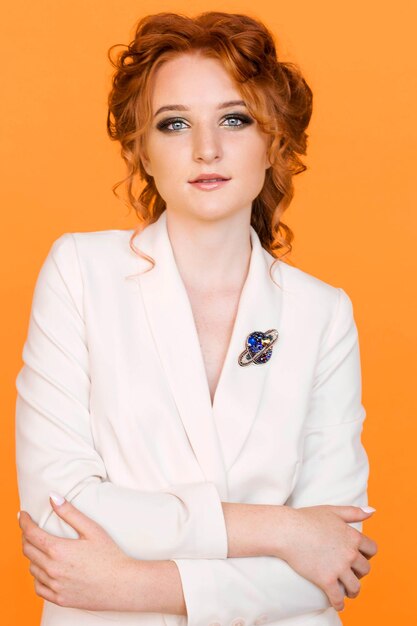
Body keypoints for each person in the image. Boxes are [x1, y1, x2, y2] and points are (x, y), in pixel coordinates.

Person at [15, 10, 378, 626]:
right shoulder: (81, 271)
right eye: (174, 123)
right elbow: (59, 511)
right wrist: (280, 530)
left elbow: (334, 556)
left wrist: (132, 586)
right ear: (143, 153)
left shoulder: (322, 313)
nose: (206, 149)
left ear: (275, 143)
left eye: (234, 120)